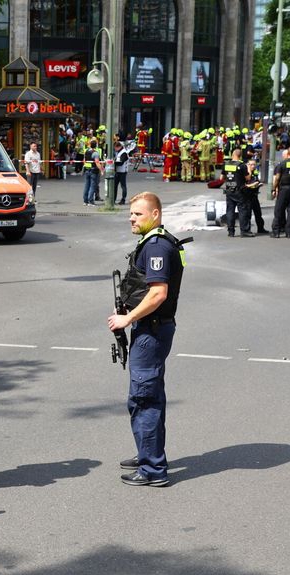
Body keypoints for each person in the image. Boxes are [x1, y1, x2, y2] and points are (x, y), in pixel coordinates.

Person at [108, 192, 186, 487]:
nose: (132, 218)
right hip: (153, 327)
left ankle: (152, 469)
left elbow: (158, 293)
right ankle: (147, 453)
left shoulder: (156, 247)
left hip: (151, 330)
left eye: (138, 214)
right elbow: (144, 289)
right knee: (150, 395)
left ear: (155, 215)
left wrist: (127, 319)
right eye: (131, 214)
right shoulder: (157, 241)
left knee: (144, 398)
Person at [221, 148, 252, 237]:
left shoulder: (226, 164)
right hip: (239, 191)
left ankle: (231, 232)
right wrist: (249, 169)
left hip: (229, 190)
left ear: (232, 155)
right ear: (240, 156)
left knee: (230, 211)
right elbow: (248, 178)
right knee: (242, 211)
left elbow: (221, 178)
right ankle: (244, 231)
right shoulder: (242, 165)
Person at [243, 159, 268, 234]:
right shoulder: (246, 173)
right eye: (251, 165)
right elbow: (246, 183)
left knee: (258, 213)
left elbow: (256, 181)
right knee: (248, 214)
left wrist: (259, 184)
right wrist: (249, 171)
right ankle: (247, 230)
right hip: (247, 196)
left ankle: (261, 228)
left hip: (254, 195)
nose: (253, 166)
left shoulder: (256, 172)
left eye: (254, 164)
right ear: (247, 165)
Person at [82, 139, 101, 205]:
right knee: (92, 186)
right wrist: (102, 169)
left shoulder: (86, 151)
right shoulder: (95, 153)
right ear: (96, 146)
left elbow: (84, 161)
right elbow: (97, 163)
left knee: (87, 186)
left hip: (87, 170)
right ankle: (91, 201)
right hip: (93, 171)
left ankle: (85, 201)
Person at [114, 140, 131, 205]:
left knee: (123, 186)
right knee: (115, 186)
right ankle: (113, 199)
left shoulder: (124, 153)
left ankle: (123, 200)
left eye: (115, 147)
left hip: (123, 172)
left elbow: (121, 163)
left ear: (119, 147)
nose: (115, 149)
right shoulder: (119, 152)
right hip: (118, 171)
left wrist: (113, 163)